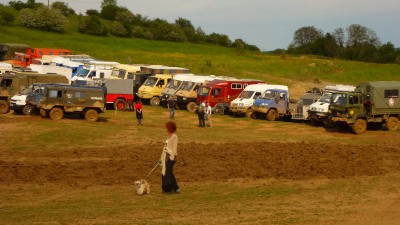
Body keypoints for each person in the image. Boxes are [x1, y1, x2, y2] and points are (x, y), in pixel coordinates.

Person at [160, 121, 180, 194]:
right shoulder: (168, 137)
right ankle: (175, 188)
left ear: (170, 129)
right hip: (166, 157)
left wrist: (170, 155)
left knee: (166, 172)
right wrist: (161, 158)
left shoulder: (174, 136)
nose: (166, 130)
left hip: (171, 157)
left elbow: (174, 150)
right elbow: (165, 148)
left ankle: (167, 189)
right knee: (168, 172)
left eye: (167, 128)